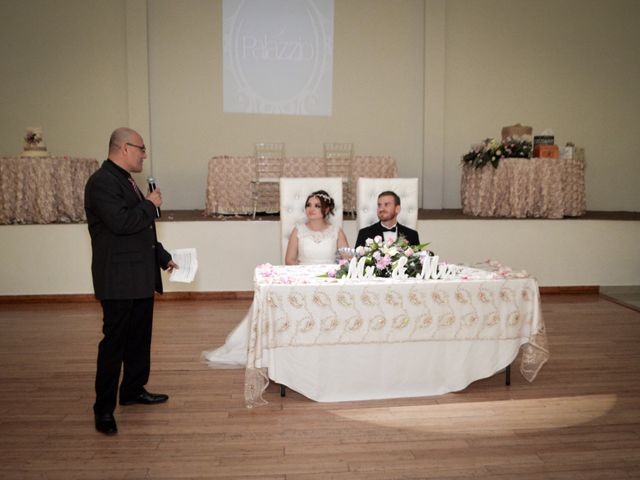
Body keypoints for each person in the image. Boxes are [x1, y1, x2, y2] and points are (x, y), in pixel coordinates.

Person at [85, 127, 178, 435]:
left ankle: (133, 390)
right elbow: (122, 223)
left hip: (139, 274)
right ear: (124, 148)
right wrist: (150, 204)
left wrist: (162, 257)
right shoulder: (101, 182)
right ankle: (104, 409)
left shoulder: (126, 180)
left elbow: (142, 231)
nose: (144, 154)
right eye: (141, 148)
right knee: (114, 345)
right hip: (118, 278)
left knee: (139, 339)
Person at [202, 190, 348, 367]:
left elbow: (346, 260)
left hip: (328, 282)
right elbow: (290, 260)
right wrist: (304, 277)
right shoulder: (299, 230)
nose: (311, 209)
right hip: (303, 280)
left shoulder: (336, 232)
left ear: (327, 209)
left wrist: (333, 276)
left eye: (317, 205)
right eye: (308, 205)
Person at [355, 190, 419, 248]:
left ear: (397, 209)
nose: (381, 209)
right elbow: (357, 259)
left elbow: (418, 259)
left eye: (386, 205)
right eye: (379, 205)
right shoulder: (364, 234)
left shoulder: (412, 235)